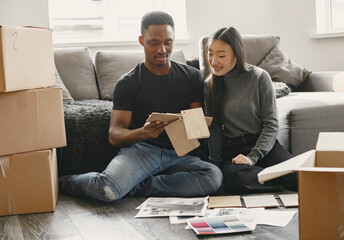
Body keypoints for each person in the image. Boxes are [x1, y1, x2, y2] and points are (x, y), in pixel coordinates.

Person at [59, 11, 222, 202]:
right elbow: (114, 135)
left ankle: (137, 187)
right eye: (154, 42)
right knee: (106, 189)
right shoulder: (128, 82)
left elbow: (196, 126)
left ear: (173, 40)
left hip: (179, 154)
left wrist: (200, 126)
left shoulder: (192, 77)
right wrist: (143, 133)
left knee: (213, 177)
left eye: (168, 42)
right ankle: (64, 182)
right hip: (142, 151)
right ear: (141, 40)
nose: (162, 49)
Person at [204, 27, 297, 194]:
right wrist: (216, 166)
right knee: (234, 177)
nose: (214, 60)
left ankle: (266, 178)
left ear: (237, 54)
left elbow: (271, 124)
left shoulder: (259, 77)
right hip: (233, 150)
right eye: (210, 53)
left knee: (301, 177)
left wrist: (253, 157)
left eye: (221, 55)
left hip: (263, 145)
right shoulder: (209, 85)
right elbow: (215, 129)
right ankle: (276, 182)